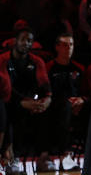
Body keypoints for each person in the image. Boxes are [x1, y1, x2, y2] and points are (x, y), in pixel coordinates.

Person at [0, 28, 55, 170]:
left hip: (32, 101)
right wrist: (22, 102)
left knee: (49, 109)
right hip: (10, 101)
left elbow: (44, 82)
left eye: (30, 40)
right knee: (9, 111)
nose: (26, 43)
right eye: (23, 39)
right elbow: (5, 88)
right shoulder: (3, 60)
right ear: (15, 41)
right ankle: (12, 159)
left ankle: (43, 158)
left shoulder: (37, 61)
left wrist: (47, 99)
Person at [45, 34, 88, 163]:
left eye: (71, 44)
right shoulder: (49, 68)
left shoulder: (79, 68)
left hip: (77, 105)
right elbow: (46, 92)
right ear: (57, 47)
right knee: (65, 107)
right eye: (65, 45)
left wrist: (82, 100)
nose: (68, 48)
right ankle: (65, 153)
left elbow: (86, 91)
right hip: (56, 106)